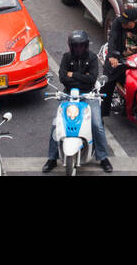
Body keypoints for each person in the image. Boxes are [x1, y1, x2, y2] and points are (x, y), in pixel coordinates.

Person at [42, 31, 112, 173]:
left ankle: (103, 157)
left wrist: (72, 74)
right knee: (57, 123)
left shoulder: (92, 58)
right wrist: (82, 77)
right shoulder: (66, 57)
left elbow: (91, 79)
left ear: (86, 46)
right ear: (71, 46)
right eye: (75, 46)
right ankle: (52, 158)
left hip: (88, 94)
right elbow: (62, 77)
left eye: (81, 46)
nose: (78, 49)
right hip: (68, 94)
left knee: (97, 124)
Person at [99, 5, 137, 116]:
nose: (123, 24)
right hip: (119, 59)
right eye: (123, 21)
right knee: (108, 83)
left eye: (126, 23)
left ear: (134, 21)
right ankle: (101, 114)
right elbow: (112, 39)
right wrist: (112, 56)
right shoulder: (117, 24)